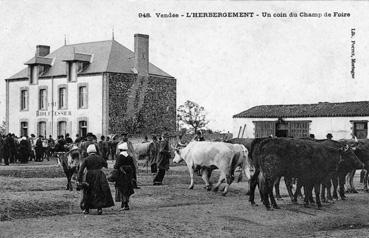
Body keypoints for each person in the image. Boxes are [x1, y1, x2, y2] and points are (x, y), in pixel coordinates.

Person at [77, 144, 114, 215]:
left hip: (89, 175)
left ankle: (86, 209)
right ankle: (99, 209)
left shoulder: (86, 159)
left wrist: (79, 179)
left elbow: (81, 170)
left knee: (88, 192)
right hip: (99, 175)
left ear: (88, 151)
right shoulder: (99, 158)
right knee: (99, 191)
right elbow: (105, 165)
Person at [113, 142, 136, 210]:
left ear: (120, 150)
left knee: (121, 189)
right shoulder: (129, 157)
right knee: (127, 188)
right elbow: (133, 167)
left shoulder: (120, 157)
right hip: (128, 175)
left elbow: (116, 166)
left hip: (121, 175)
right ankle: (125, 203)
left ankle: (125, 204)